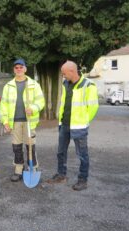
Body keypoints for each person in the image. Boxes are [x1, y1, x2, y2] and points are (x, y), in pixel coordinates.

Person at [46, 60, 99, 191]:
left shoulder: (88, 85)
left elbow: (93, 107)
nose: (63, 76)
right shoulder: (66, 84)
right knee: (60, 152)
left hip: (79, 127)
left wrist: (84, 122)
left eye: (64, 73)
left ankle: (82, 180)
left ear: (72, 71)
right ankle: (61, 175)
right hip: (64, 125)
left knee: (82, 154)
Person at [0, 59, 45, 182]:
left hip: (29, 121)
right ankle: (19, 169)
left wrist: (34, 108)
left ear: (25, 69)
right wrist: (5, 121)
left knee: (31, 145)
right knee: (16, 147)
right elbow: (3, 105)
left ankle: (33, 168)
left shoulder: (33, 84)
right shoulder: (8, 86)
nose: (19, 69)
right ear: (14, 70)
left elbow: (41, 102)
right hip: (14, 121)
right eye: (16, 68)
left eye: (21, 67)